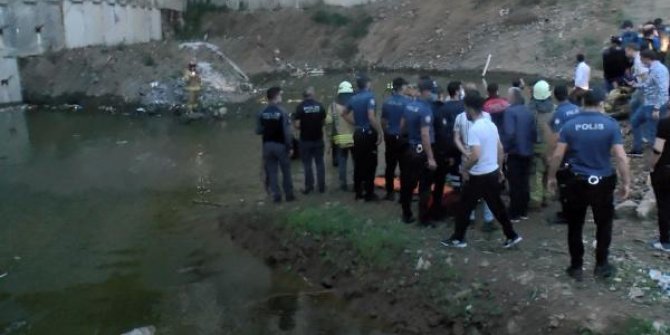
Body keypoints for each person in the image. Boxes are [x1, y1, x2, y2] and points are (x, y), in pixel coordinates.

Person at [547, 88, 631, 281]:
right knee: (604, 225)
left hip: (576, 182)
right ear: (601, 103)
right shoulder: (610, 125)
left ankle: (576, 267)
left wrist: (551, 177)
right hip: (603, 182)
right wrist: (626, 182)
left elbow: (558, 154)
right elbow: (620, 156)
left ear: (583, 103)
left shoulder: (570, 125)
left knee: (575, 226)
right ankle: (601, 265)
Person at [441, 91, 523, 248]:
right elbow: (500, 148)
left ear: (470, 109)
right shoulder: (490, 124)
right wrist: (499, 169)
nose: (465, 112)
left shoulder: (475, 129)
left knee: (464, 207)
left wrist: (465, 169)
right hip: (492, 172)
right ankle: (511, 235)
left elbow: (475, 155)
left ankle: (458, 238)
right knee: (497, 206)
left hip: (478, 176)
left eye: (465, 109)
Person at [454, 93, 495, 230]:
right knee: (486, 191)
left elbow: (456, 138)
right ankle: (485, 219)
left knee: (469, 191)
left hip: (473, 157)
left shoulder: (464, 118)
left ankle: (469, 220)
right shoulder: (487, 118)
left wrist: (465, 158)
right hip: (480, 156)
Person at [399, 80, 437, 224]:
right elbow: (425, 135)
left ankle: (406, 214)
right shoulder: (425, 109)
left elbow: (402, 126)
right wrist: (431, 158)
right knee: (425, 185)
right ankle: (423, 218)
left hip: (410, 149)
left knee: (408, 184)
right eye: (431, 91)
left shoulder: (408, 105)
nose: (433, 94)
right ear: (426, 91)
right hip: (422, 151)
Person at [343, 74, 383, 201]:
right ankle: (369, 193)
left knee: (359, 164)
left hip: (358, 133)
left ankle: (358, 192)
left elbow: (344, 113)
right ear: (367, 84)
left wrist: (355, 122)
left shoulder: (353, 98)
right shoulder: (370, 97)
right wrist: (380, 131)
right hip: (368, 134)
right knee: (371, 163)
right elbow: (371, 117)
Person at [431, 81, 465, 219]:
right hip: (461, 146)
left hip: (445, 148)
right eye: (461, 89)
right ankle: (462, 208)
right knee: (462, 175)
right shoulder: (464, 107)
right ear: (457, 91)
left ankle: (439, 207)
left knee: (443, 177)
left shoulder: (442, 108)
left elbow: (439, 129)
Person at [547, 85, 580, 225]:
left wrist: (551, 155)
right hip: (579, 150)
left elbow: (556, 137)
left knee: (564, 184)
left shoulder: (559, 113)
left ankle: (567, 214)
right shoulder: (577, 108)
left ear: (555, 96)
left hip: (566, 152)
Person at [256, 86, 295, 203]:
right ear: (276, 96)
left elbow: (258, 130)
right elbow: (287, 132)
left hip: (267, 145)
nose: (281, 97)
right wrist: (290, 146)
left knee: (272, 172)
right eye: (280, 95)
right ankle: (289, 195)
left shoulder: (261, 112)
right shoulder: (282, 112)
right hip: (281, 145)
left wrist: (268, 129)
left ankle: (276, 196)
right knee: (286, 171)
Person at [503, 89, 537, 222]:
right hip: (528, 151)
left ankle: (514, 212)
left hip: (515, 152)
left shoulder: (509, 112)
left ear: (512, 98)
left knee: (514, 183)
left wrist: (505, 149)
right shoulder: (528, 111)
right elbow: (534, 132)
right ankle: (523, 211)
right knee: (524, 182)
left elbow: (510, 133)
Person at [629, 50, 670, 156]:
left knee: (654, 133)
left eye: (641, 58)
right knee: (635, 122)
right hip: (648, 103)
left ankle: (659, 159)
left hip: (655, 105)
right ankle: (637, 149)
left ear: (646, 58)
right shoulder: (652, 69)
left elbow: (663, 90)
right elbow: (649, 84)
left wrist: (656, 108)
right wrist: (636, 85)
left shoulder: (659, 70)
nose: (640, 61)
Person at [293, 87, 326, 194]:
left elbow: (297, 125)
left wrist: (304, 126)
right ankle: (321, 187)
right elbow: (324, 121)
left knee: (307, 165)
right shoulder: (319, 106)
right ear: (312, 95)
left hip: (305, 140)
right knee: (320, 163)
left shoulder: (300, 107)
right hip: (318, 139)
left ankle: (309, 187)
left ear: (304, 96)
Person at [381, 77, 410, 201]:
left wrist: (385, 132)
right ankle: (403, 196)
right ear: (402, 87)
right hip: (402, 137)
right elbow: (408, 122)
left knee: (390, 165)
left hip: (390, 136)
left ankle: (390, 193)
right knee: (404, 167)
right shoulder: (407, 102)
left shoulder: (386, 101)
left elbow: (383, 121)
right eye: (405, 86)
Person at [529, 80, 555, 209]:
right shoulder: (554, 109)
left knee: (536, 174)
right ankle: (546, 196)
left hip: (536, 146)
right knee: (547, 172)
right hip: (551, 146)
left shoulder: (531, 110)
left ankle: (536, 199)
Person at [326, 81, 355, 191]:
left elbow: (328, 122)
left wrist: (329, 139)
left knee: (342, 162)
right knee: (355, 161)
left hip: (340, 138)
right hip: (354, 137)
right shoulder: (355, 103)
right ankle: (356, 183)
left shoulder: (333, 106)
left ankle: (343, 185)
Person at [650, 116, 670, 251]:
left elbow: (658, 149)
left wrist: (651, 165)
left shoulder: (665, 122)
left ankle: (666, 241)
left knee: (664, 205)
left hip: (665, 168)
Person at [625, 43, 649, 120]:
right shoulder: (639, 58)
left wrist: (638, 84)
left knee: (633, 105)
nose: (625, 54)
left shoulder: (638, 60)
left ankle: (634, 123)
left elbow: (645, 74)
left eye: (626, 52)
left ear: (631, 50)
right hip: (643, 87)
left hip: (643, 88)